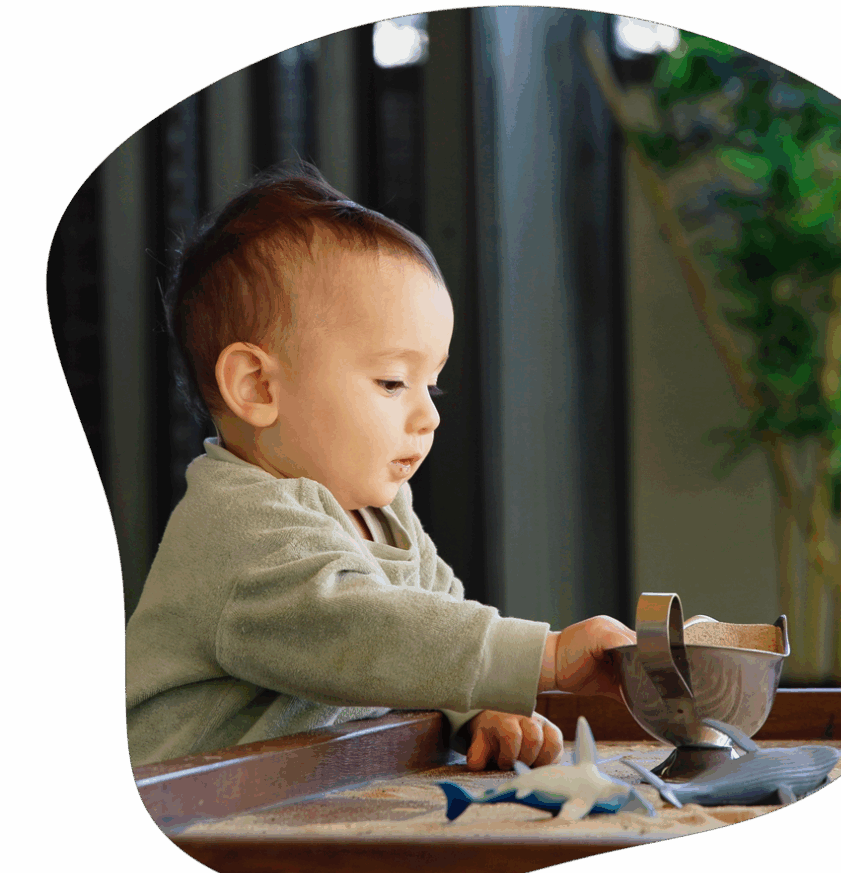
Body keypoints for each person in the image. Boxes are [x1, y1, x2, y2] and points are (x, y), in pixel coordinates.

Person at [125, 162, 636, 768]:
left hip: (306, 797)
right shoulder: (236, 525)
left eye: (433, 386)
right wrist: (545, 657)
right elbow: (359, 634)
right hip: (187, 815)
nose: (429, 417)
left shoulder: (383, 511)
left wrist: (471, 706)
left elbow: (432, 625)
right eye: (393, 381)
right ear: (257, 386)